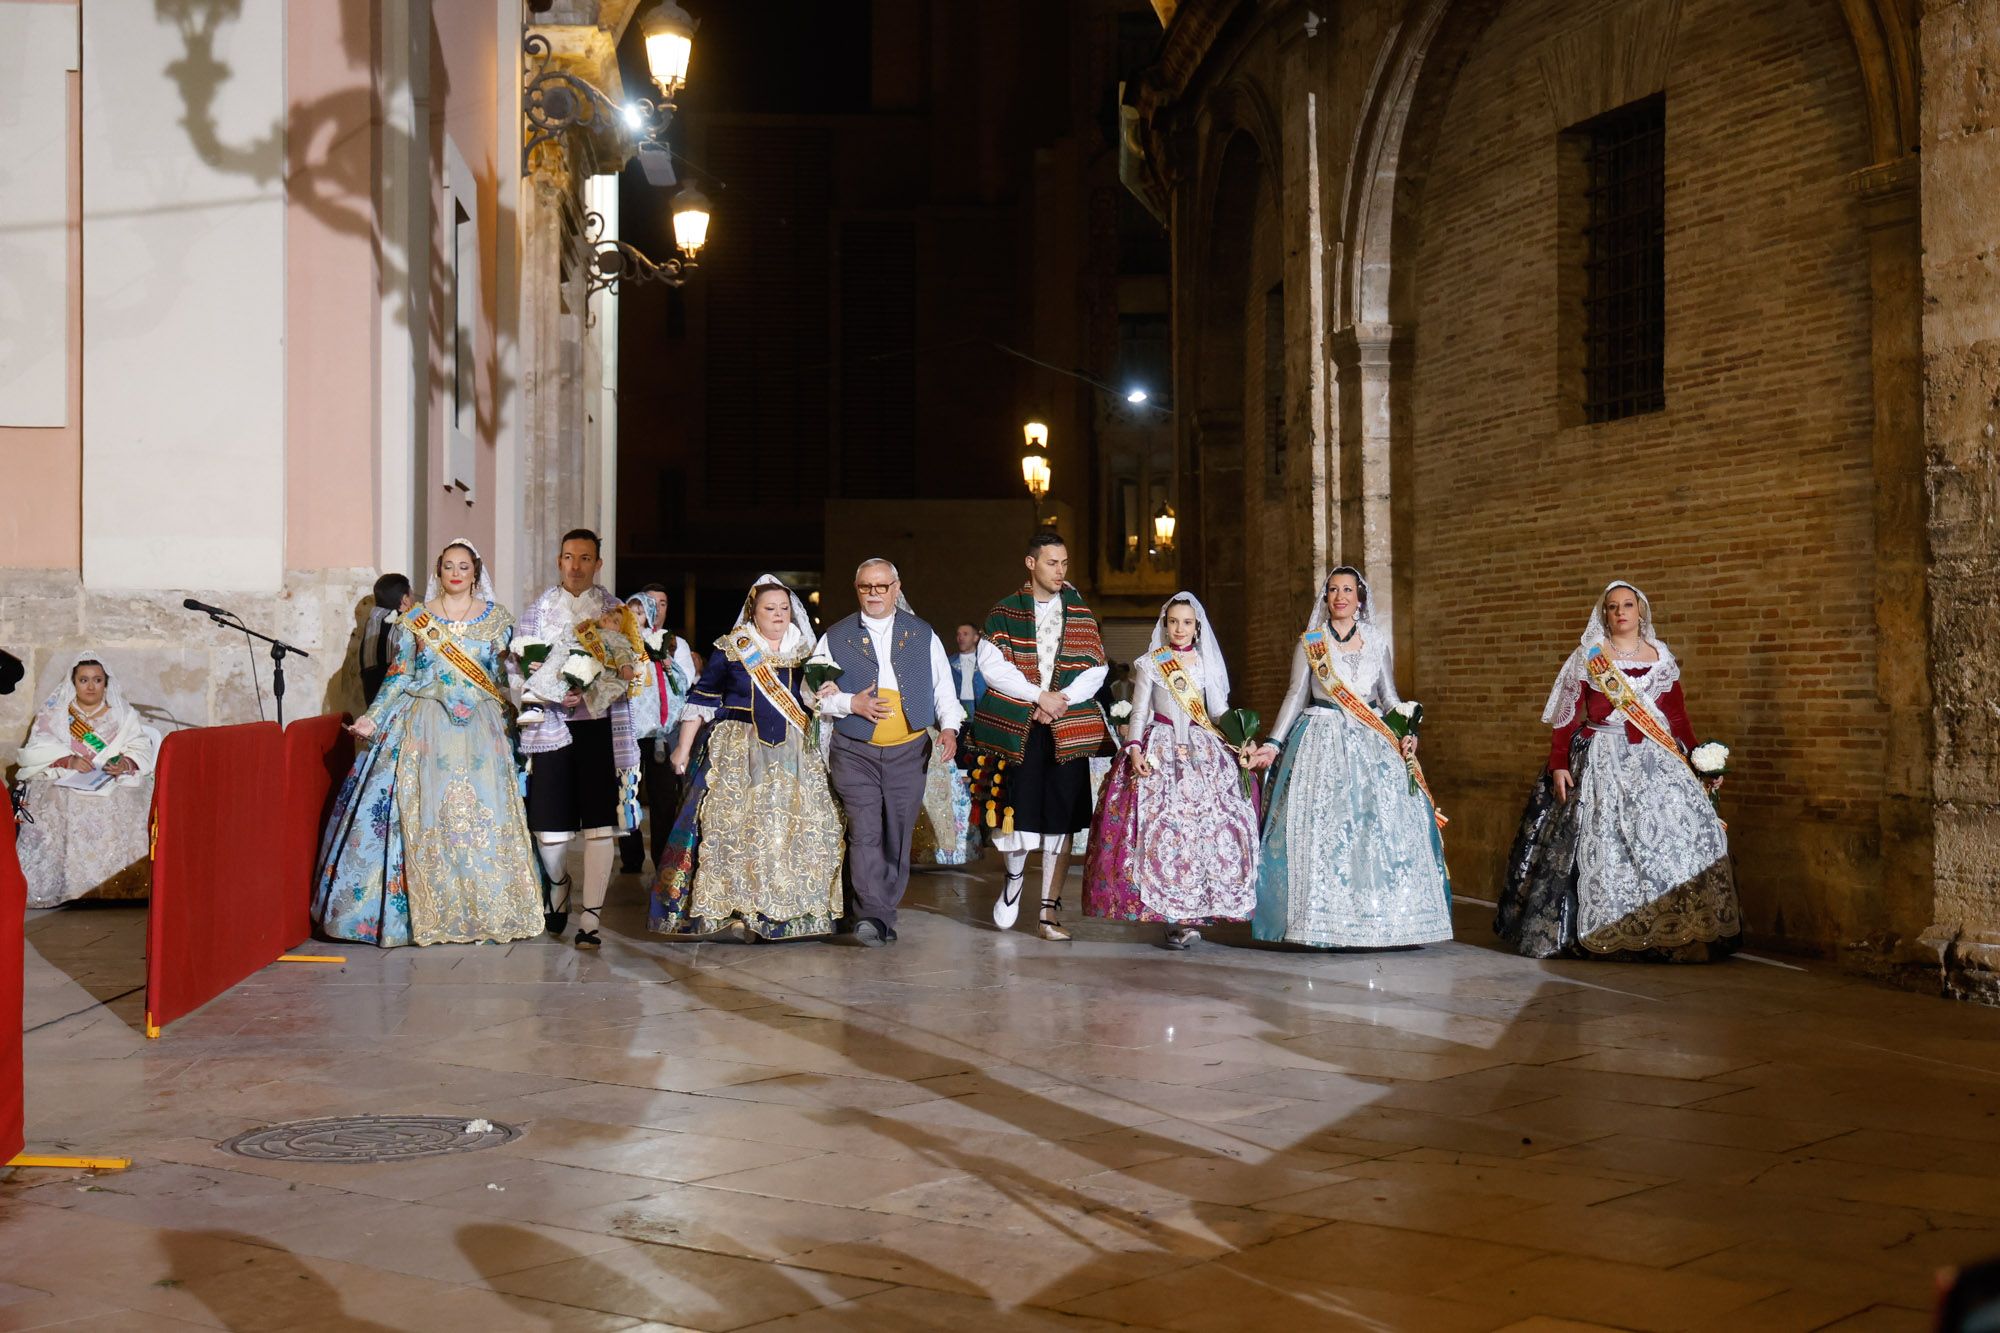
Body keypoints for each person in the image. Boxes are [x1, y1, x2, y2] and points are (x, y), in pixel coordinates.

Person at [312, 542, 543, 947]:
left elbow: (508, 675)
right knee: (421, 810)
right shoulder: (416, 620)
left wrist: (534, 677)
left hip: (481, 729)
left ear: (475, 572)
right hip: (422, 724)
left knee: (481, 819)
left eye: (464, 567)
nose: (456, 573)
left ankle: (482, 907)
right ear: (438, 570)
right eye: (449, 566)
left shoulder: (498, 620)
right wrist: (373, 717)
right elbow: (400, 675)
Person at [1497, 580, 1740, 960]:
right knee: (1607, 840)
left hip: (1657, 760)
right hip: (1602, 756)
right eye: (1613, 606)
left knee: (1674, 838)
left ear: (1640, 611)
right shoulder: (1590, 656)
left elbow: (1677, 718)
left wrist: (1698, 760)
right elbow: (1566, 716)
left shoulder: (1661, 656)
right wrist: (1558, 763)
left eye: (1628, 605)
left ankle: (1674, 934)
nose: (1621, 612)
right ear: (1604, 614)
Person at [1249, 567, 1452, 948]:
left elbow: (1389, 697)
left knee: (1378, 829)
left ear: (1360, 598)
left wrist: (1407, 730)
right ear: (1325, 598)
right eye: (1333, 590)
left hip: (1373, 742)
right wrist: (1273, 744)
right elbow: (1295, 695)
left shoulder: (1376, 641)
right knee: (1323, 829)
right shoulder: (1311, 643)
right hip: (1321, 739)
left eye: (1347, 590)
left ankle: (1386, 920)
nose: (1340, 596)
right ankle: (1321, 921)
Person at [649, 576, 843, 941]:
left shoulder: (807, 651)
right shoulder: (732, 650)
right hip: (737, 751)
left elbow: (817, 701)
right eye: (770, 608)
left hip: (795, 754)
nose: (779, 615)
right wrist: (683, 748)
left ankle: (793, 913)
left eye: (784, 608)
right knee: (732, 830)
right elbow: (702, 700)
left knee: (795, 830)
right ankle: (733, 913)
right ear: (753, 612)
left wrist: (827, 691)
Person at [1083, 594, 1258, 949]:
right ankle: (1171, 916)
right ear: (1165, 625)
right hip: (1159, 748)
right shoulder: (1151, 663)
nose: (1180, 629)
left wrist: (1241, 737)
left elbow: (1218, 711)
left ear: (1197, 628)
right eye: (1174, 622)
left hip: (1201, 748)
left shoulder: (1206, 663)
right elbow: (1139, 712)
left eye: (1187, 622)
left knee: (1207, 827)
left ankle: (1197, 909)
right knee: (1166, 829)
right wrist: (1134, 747)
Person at [809, 559, 965, 946]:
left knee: (897, 835)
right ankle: (871, 915)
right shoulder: (835, 636)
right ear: (857, 589)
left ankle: (882, 912)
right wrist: (850, 703)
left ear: (896, 588)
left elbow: (944, 688)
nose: (874, 593)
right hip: (854, 751)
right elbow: (814, 695)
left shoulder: (922, 633)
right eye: (867, 587)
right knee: (864, 834)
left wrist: (949, 728)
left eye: (882, 586)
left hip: (908, 751)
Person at [510, 529, 646, 951]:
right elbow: (515, 667)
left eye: (585, 558)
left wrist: (595, 687)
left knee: (600, 825)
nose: (575, 566)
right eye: (569, 557)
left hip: (599, 726)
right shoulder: (537, 612)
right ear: (559, 560)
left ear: (598, 564)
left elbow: (634, 667)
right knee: (549, 831)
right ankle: (559, 883)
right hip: (550, 726)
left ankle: (591, 917)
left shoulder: (616, 612)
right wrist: (547, 691)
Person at [970, 531, 1109, 941]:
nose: (1060, 570)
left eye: (1064, 563)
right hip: (1021, 724)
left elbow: (1096, 668)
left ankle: (1047, 912)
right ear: (1031, 563)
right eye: (1052, 563)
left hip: (1065, 724)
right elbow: (992, 667)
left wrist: (1060, 700)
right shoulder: (1004, 612)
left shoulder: (1080, 612)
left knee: (1061, 820)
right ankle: (1014, 878)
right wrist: (1038, 696)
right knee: (1018, 814)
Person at [14, 653, 162, 908]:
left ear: (106, 683)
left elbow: (140, 746)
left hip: (112, 779)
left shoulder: (123, 714)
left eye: (97, 680)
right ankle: (70, 886)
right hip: (68, 778)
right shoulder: (56, 714)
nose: (91, 686)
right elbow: (36, 749)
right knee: (59, 797)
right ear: (74, 683)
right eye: (84, 680)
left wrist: (125, 763)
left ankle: (125, 887)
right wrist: (67, 761)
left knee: (129, 796)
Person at [620, 583, 696, 874]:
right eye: (634, 610)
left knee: (663, 796)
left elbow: (684, 681)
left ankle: (663, 859)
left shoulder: (672, 643)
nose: (640, 616)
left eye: (652, 607)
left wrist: (663, 660)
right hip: (628, 730)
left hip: (662, 732)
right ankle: (630, 859)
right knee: (626, 792)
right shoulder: (620, 641)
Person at [359, 573, 414, 705]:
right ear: (405, 599)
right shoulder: (406, 623)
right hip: (398, 706)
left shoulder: (372, 622)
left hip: (372, 707)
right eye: (412, 595)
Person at [948, 622, 986, 713]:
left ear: (975, 638)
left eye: (965, 634)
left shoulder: (985, 661)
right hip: (958, 712)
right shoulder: (948, 663)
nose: (961, 638)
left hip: (983, 711)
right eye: (958, 634)